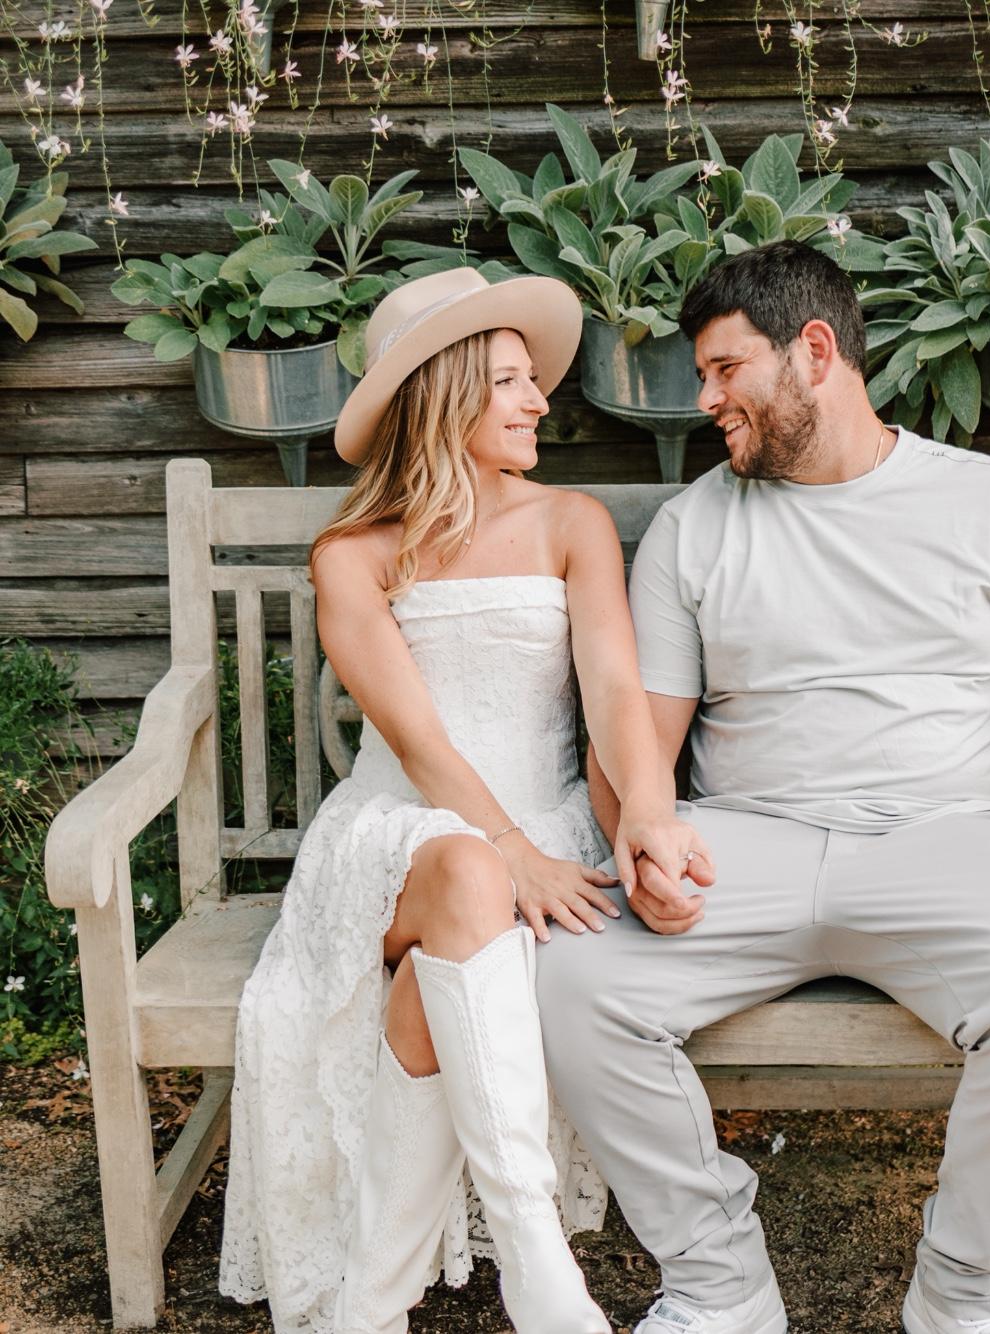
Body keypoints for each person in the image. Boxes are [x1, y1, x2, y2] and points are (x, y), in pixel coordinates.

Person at [535, 240, 990, 1334]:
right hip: (742, 843)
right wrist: (637, 842)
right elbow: (638, 748)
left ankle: (964, 1296)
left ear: (813, 351)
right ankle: (717, 1285)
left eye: (724, 369)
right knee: (572, 984)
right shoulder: (694, 527)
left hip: (950, 841)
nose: (705, 399)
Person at [219, 267, 711, 1334]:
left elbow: (615, 693)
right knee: (470, 872)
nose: (539, 399)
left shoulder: (572, 523)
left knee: (433, 980)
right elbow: (419, 743)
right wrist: (505, 845)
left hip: (546, 830)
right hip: (400, 836)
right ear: (444, 394)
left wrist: (648, 812)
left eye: (534, 379)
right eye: (510, 381)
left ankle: (368, 1303)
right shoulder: (352, 555)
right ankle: (535, 1252)